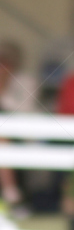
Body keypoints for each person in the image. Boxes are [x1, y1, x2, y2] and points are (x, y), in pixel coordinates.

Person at [0, 40, 37, 206]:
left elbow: (23, 111)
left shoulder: (27, 81)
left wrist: (3, 88)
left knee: (2, 138)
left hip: (21, 135)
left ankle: (11, 192)